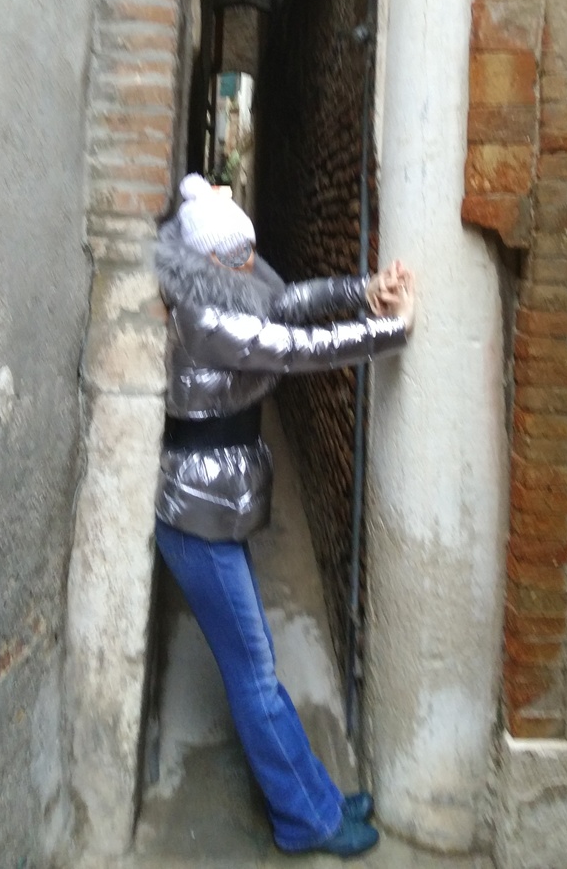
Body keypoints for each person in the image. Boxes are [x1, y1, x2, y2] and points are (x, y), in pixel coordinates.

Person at [154, 174, 415, 859]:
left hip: (210, 514)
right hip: (195, 519)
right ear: (209, 260)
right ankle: (307, 819)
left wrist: (364, 290)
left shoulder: (220, 280)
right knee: (256, 678)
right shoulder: (204, 318)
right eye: (239, 258)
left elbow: (285, 302)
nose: (249, 266)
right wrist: (390, 330)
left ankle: (317, 795)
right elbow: (294, 348)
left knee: (257, 670)